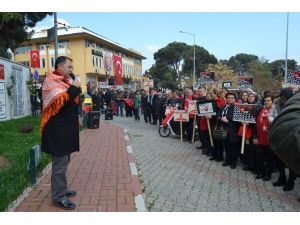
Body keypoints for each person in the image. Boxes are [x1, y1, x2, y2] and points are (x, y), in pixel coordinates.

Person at [40, 56, 81, 210]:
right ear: (60, 66)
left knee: (64, 162)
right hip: (57, 132)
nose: (71, 70)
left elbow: (72, 99)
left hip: (66, 131)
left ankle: (61, 189)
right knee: (59, 165)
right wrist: (75, 88)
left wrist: (75, 87)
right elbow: (62, 103)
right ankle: (58, 197)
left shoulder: (65, 81)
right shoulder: (51, 81)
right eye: (69, 67)